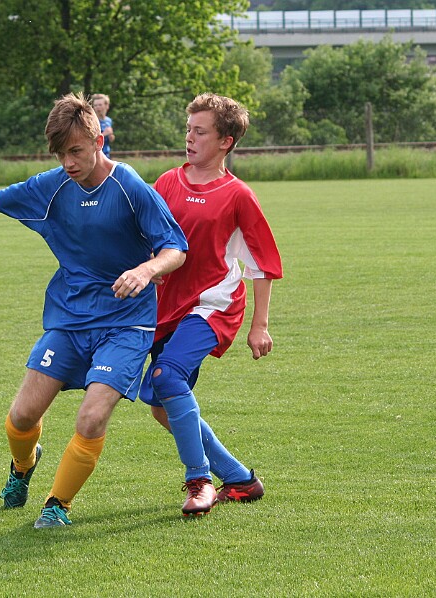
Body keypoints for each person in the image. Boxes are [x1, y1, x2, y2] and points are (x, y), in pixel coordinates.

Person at [0, 92, 188, 528]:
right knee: (22, 417)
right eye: (60, 153)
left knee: (91, 415)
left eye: (76, 151)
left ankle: (57, 504)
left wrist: (146, 269)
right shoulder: (52, 187)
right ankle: (23, 467)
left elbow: (175, 248)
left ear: (98, 140)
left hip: (127, 323)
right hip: (69, 320)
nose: (68, 162)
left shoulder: (131, 188)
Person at [139, 93, 283, 516]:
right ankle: (239, 478)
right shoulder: (166, 182)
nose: (189, 138)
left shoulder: (238, 195)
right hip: (166, 306)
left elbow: (263, 263)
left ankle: (198, 480)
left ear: (226, 141)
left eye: (200, 132)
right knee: (162, 406)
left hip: (213, 304)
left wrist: (261, 325)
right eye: (188, 129)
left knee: (167, 378)